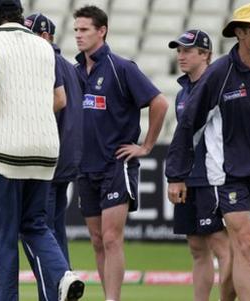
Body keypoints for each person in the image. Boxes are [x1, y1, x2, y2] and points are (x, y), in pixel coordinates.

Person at [166, 4, 250, 301]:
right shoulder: (219, 74)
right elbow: (189, 125)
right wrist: (176, 175)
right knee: (245, 243)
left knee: (243, 252)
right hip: (227, 175)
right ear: (238, 33)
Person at [0, 1, 85, 300]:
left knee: (4, 236)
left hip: (6, 152)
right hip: (45, 150)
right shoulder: (45, 47)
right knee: (35, 225)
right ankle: (62, 274)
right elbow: (59, 99)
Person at [73, 5, 169, 301]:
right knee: (97, 240)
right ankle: (107, 295)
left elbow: (160, 103)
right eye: (76, 29)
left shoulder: (121, 67)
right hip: (84, 168)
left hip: (116, 166)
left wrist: (146, 146)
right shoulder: (74, 71)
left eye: (84, 29)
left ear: (102, 31)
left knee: (112, 238)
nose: (78, 35)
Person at [168, 29, 235, 301]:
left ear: (205, 54)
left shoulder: (219, 86)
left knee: (222, 246)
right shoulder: (182, 92)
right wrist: (178, 175)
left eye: (187, 50)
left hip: (213, 177)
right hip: (190, 178)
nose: (181, 56)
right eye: (179, 51)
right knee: (197, 246)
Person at [23, 12, 83, 264]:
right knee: (55, 231)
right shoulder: (70, 67)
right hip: (67, 160)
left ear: (46, 36)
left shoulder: (44, 62)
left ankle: (54, 285)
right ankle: (63, 283)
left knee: (37, 230)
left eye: (31, 35)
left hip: (48, 161)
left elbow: (49, 109)